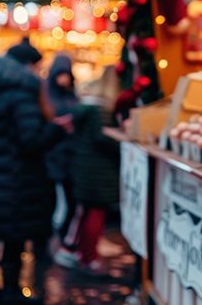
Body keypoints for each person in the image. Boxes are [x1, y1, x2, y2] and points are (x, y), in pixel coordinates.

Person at [0, 39, 67, 305]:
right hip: (16, 180)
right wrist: (56, 129)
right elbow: (31, 141)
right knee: (13, 237)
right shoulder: (23, 95)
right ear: (28, 66)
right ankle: (10, 292)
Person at [69, 66, 121, 275]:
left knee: (87, 212)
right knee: (96, 214)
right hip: (99, 170)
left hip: (86, 169)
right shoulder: (102, 110)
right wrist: (121, 143)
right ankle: (89, 257)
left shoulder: (86, 107)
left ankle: (83, 254)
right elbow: (102, 138)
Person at [44, 55, 80, 269]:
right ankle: (48, 244)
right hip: (53, 155)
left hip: (69, 156)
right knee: (51, 202)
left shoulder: (71, 94)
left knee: (71, 202)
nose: (64, 78)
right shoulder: (46, 95)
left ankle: (65, 241)